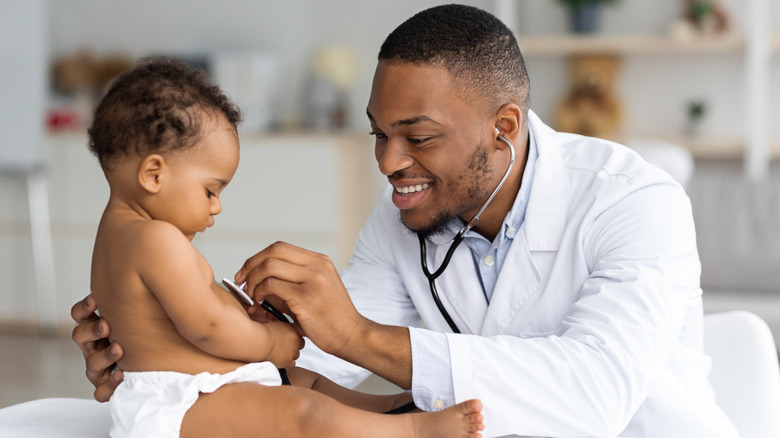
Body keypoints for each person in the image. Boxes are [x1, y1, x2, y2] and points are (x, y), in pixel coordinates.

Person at [73, 5, 737, 437]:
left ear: (503, 126)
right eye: (379, 133)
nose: (389, 162)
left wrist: (357, 335)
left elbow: (594, 398)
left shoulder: (635, 201)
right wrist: (156, 345)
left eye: (417, 136)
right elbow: (305, 347)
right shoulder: (402, 224)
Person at [81, 57, 484, 438]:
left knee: (304, 381)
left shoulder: (118, 235)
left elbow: (179, 315)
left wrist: (242, 314)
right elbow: (206, 327)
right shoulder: (156, 238)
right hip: (182, 401)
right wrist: (271, 344)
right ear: (153, 174)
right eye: (210, 190)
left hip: (199, 385)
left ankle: (388, 408)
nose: (217, 206)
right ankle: (411, 431)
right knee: (300, 411)